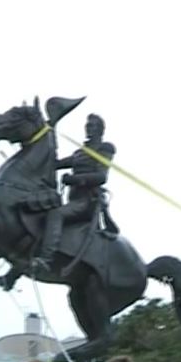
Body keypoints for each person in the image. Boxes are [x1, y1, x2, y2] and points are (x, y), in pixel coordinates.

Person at [34, 114, 117, 271]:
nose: (88, 128)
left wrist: (74, 179)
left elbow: (101, 176)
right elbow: (55, 164)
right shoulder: (80, 153)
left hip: (87, 202)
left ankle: (46, 258)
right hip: (73, 200)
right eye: (87, 125)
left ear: (100, 129)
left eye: (92, 126)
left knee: (56, 214)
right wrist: (45, 137)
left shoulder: (104, 148)